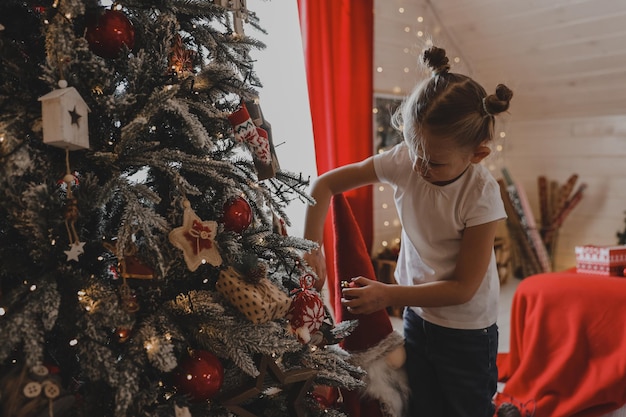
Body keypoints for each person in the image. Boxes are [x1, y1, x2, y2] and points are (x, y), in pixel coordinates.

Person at [303, 45, 513, 417]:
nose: (418, 166)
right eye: (413, 148)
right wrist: (311, 247)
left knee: (466, 408)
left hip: (468, 330)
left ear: (477, 154)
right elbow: (323, 185)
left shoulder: (482, 194)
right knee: (422, 405)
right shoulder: (406, 159)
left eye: (433, 161)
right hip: (417, 315)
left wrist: (387, 294)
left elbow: (464, 288)